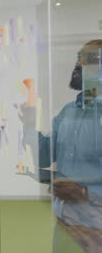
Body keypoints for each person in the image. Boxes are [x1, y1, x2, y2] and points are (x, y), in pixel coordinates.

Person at [20, 40, 102, 253]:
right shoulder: (68, 112)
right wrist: (29, 125)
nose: (78, 62)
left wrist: (84, 192)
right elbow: (45, 156)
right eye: (78, 56)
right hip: (64, 226)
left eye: (88, 58)